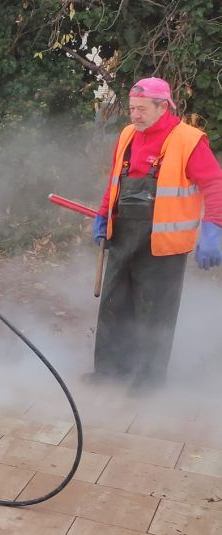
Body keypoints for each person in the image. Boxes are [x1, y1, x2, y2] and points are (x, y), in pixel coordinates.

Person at [86, 77, 222, 395]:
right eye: (132, 108)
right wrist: (103, 214)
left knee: (154, 313)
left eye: (141, 109)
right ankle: (110, 372)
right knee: (114, 306)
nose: (134, 115)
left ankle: (148, 384)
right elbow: (115, 181)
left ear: (163, 107)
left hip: (164, 245)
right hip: (122, 236)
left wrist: (214, 226)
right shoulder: (127, 135)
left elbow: (215, 184)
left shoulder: (189, 141)